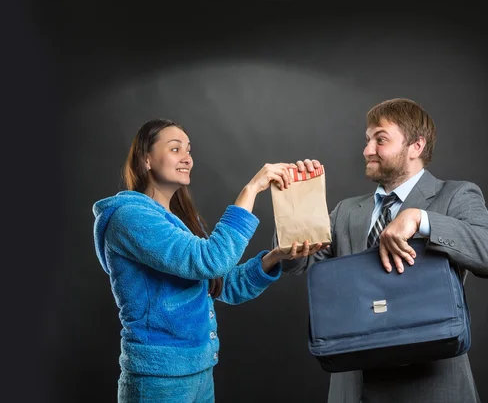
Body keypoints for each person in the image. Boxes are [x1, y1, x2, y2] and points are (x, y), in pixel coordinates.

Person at [279, 98, 488, 403]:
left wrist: (421, 220)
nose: (367, 150)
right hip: (354, 388)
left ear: (416, 146)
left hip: (431, 387)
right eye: (367, 140)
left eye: (380, 139)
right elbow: (296, 265)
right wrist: (296, 205)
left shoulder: (455, 196)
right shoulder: (346, 211)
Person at [92, 118, 326, 403]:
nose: (187, 158)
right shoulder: (129, 217)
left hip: (200, 372)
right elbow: (210, 260)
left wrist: (275, 257)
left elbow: (224, 285)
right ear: (146, 160)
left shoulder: (179, 223)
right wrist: (251, 190)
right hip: (158, 381)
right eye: (175, 149)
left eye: (189, 150)